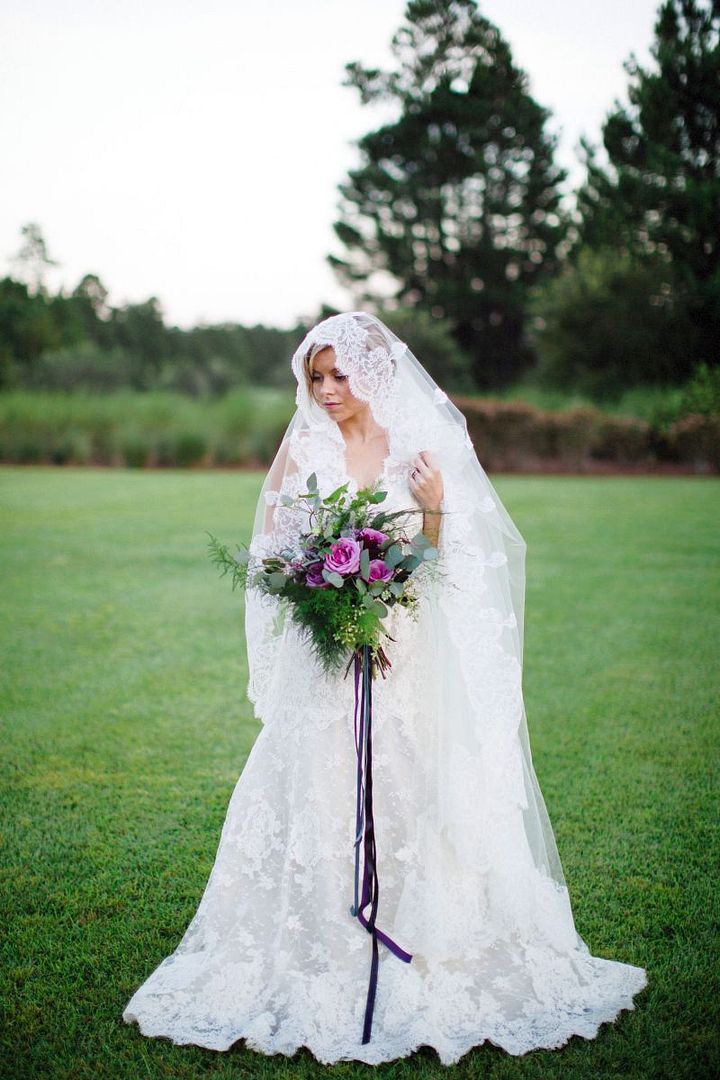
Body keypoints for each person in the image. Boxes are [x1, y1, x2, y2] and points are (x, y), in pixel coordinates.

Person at [122, 311, 648, 1066]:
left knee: (408, 787)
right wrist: (311, 587)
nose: (328, 390)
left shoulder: (418, 450)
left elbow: (442, 564)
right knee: (316, 783)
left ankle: (417, 932)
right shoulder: (302, 443)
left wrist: (431, 513)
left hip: (401, 660)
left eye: (340, 375)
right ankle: (317, 939)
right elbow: (269, 547)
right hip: (325, 659)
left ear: (372, 373)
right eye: (316, 377)